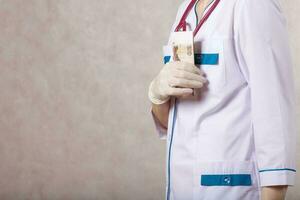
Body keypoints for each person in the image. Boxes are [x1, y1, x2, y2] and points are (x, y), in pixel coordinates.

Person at [148, 0, 297, 199]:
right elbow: (173, 123)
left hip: (231, 188)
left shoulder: (253, 5)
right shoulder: (185, 10)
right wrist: (157, 96)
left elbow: (274, 115)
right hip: (179, 187)